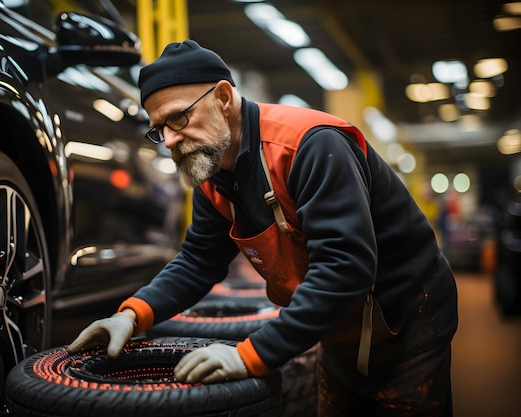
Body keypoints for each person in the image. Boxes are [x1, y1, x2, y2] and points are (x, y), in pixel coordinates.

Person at [67, 39, 459, 416]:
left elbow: (345, 267)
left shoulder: (310, 146)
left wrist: (249, 355)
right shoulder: (211, 169)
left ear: (223, 97)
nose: (169, 140)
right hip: (340, 324)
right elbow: (198, 261)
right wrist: (132, 315)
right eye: (159, 128)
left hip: (408, 317)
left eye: (178, 118)